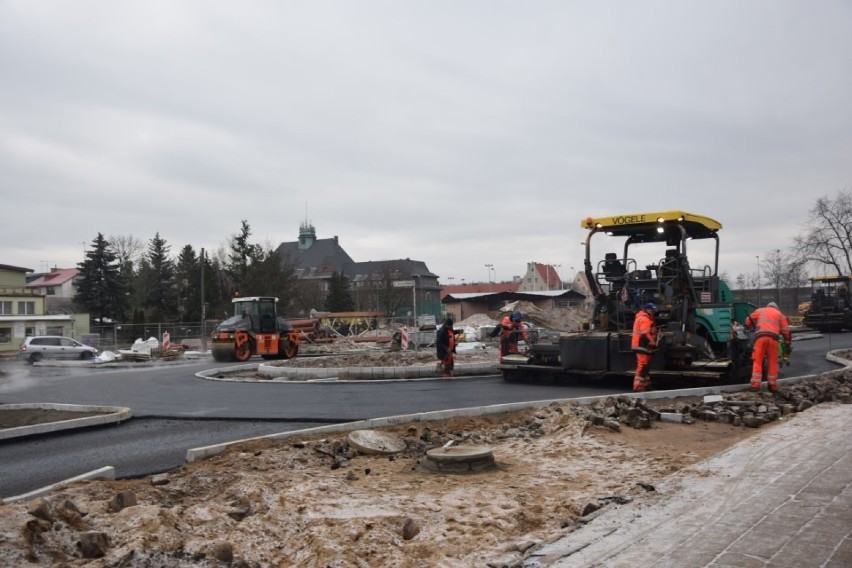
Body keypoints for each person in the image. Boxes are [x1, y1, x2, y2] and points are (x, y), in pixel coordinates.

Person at [745, 301, 791, 391]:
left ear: (768, 306)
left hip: (760, 338)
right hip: (773, 339)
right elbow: (785, 330)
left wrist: (751, 327)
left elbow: (748, 321)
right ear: (776, 308)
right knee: (772, 362)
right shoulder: (780, 314)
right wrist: (787, 341)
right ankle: (772, 385)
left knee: (757, 360)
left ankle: (755, 385)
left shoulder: (760, 311)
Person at [631, 303, 658, 392]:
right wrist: (653, 342)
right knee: (642, 365)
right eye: (652, 310)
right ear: (647, 310)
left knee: (645, 366)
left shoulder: (644, 318)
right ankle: (638, 387)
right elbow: (645, 334)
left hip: (642, 345)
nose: (653, 312)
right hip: (641, 345)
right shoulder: (645, 319)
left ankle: (646, 385)